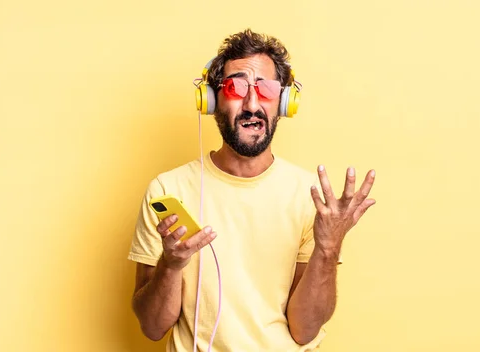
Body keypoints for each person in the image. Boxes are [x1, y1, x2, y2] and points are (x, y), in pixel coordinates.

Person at [127, 29, 376, 352]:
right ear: (212, 100)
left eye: (267, 89)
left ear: (284, 103)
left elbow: (304, 329)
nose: (252, 103)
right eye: (236, 87)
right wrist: (171, 265)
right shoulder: (168, 191)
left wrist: (328, 249)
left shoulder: (311, 199)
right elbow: (152, 326)